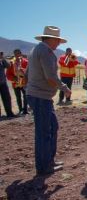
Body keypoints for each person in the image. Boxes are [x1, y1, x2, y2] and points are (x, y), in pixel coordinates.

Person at [27, 26, 71, 176]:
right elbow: (51, 77)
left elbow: (28, 73)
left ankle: (49, 160)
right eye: (57, 40)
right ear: (51, 39)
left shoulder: (35, 50)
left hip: (40, 95)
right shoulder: (45, 52)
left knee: (52, 127)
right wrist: (64, 88)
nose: (58, 43)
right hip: (40, 96)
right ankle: (44, 165)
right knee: (44, 131)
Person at [6, 49, 28, 115]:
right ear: (14, 54)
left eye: (18, 53)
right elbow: (8, 74)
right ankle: (20, 110)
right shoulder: (11, 63)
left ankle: (25, 110)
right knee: (18, 97)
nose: (17, 55)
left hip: (24, 82)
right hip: (15, 82)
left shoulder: (26, 61)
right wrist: (13, 78)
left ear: (20, 53)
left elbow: (29, 71)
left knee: (25, 96)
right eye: (15, 54)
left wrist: (23, 72)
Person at [0, 52, 15, 118]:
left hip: (3, 83)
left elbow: (8, 66)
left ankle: (9, 113)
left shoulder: (2, 61)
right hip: (2, 82)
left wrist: (3, 59)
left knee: (7, 98)